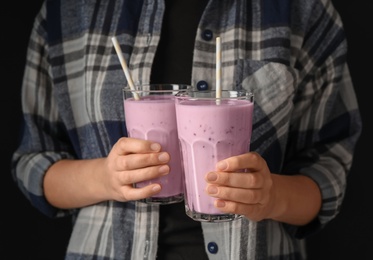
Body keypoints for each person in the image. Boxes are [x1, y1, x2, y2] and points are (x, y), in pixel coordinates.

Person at [11, 0, 362, 259]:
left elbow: (327, 172)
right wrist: (104, 177)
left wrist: (271, 196)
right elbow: (34, 164)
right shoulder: (66, 13)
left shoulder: (304, 11)